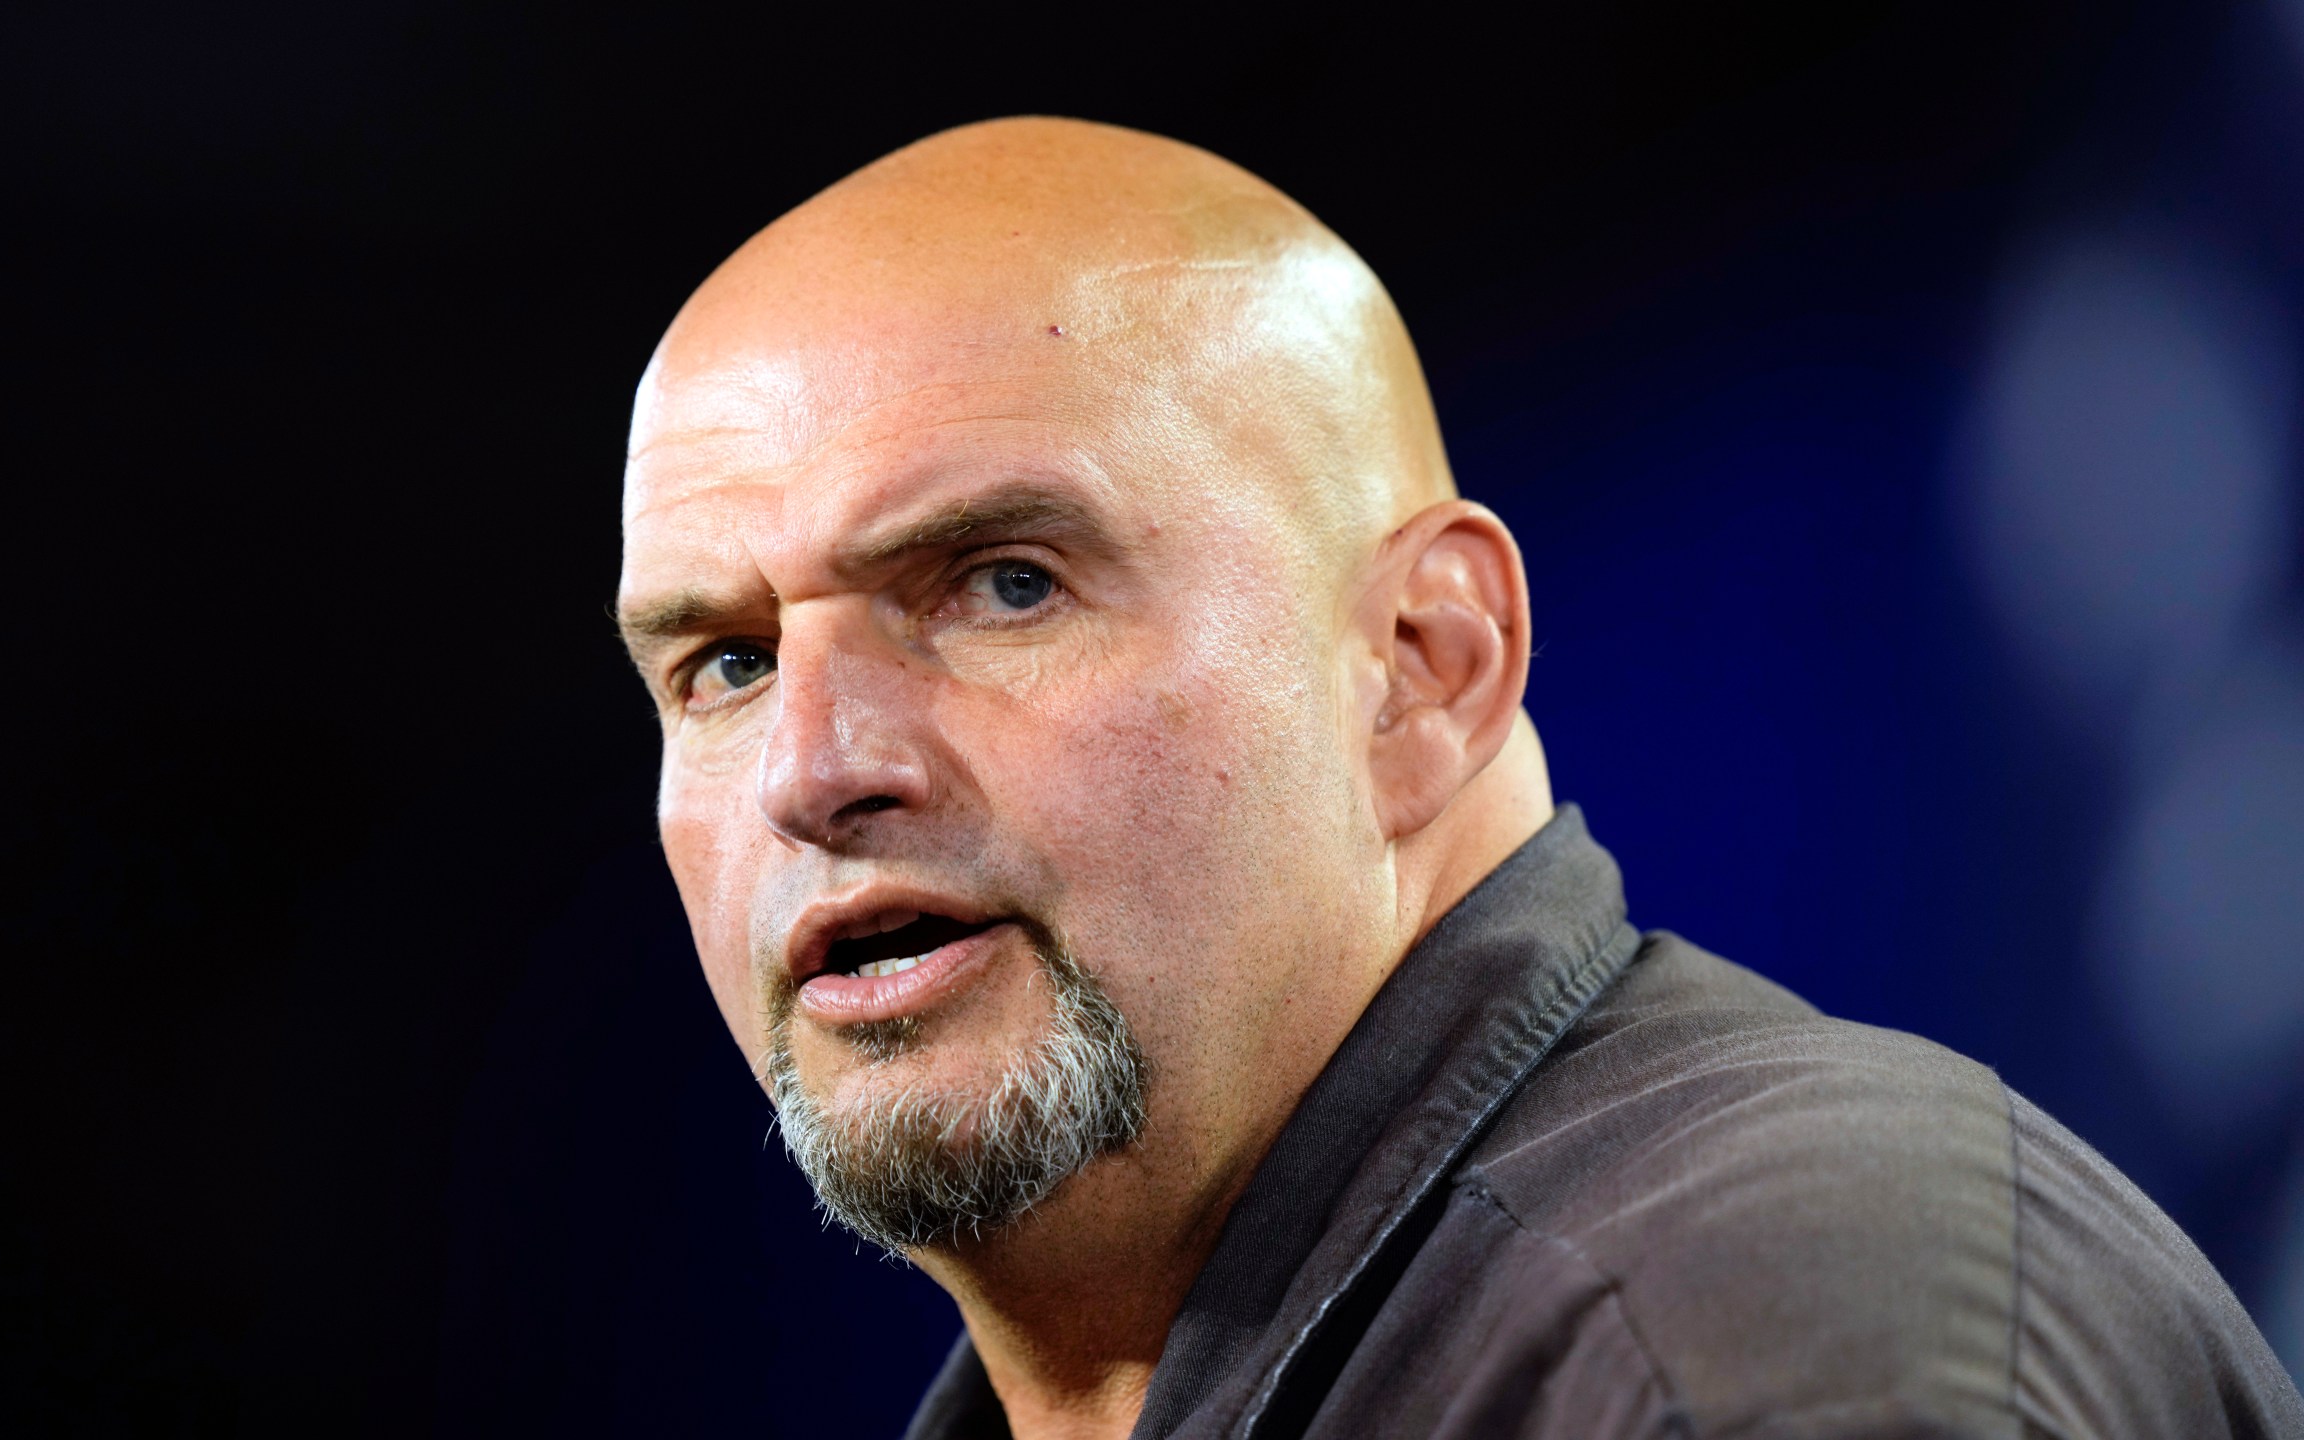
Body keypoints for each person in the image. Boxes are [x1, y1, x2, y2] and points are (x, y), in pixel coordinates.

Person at [613, 116, 2303, 1440]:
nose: (817, 770)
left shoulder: (1741, 1338)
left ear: (1427, 666)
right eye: (728, 665)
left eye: (1004, 585)